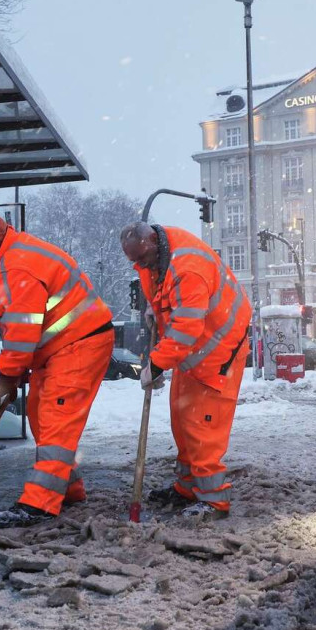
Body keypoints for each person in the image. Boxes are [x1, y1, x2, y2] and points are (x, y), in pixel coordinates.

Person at [0, 209, 115, 528]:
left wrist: (7, 378)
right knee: (39, 415)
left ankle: (40, 503)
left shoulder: (17, 266)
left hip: (80, 343)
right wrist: (15, 373)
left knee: (56, 420)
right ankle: (67, 489)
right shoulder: (11, 260)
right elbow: (23, 328)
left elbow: (22, 330)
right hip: (60, 347)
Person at [120, 221, 251, 519]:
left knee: (202, 426)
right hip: (194, 352)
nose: (141, 265)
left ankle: (214, 500)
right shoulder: (157, 256)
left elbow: (186, 329)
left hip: (218, 351)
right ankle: (189, 487)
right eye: (135, 261)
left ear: (153, 241)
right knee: (182, 420)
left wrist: (155, 364)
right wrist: (155, 308)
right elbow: (169, 300)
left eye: (142, 258)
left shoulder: (188, 268)